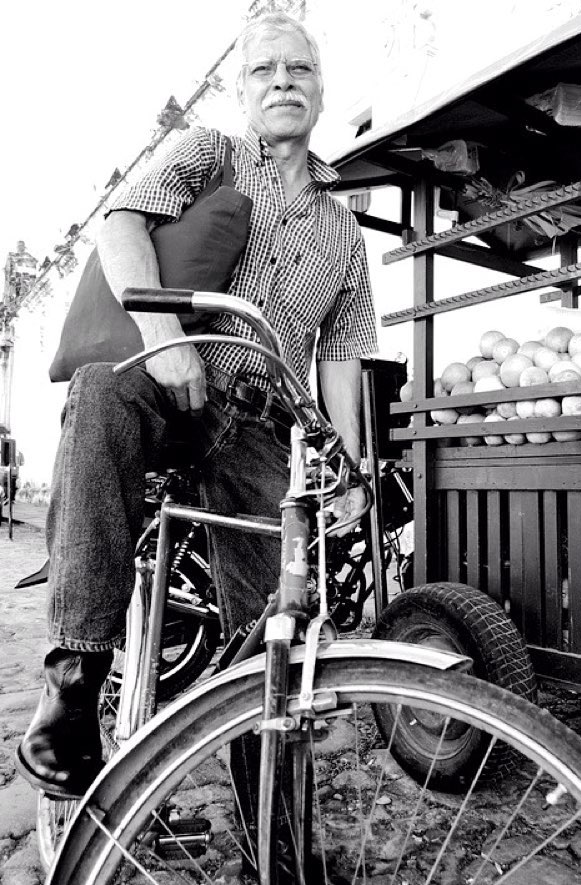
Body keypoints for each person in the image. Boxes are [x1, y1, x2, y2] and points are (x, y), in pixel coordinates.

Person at [17, 9, 377, 820]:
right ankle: (73, 689)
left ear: (319, 90)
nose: (281, 81)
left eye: (298, 70)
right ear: (243, 89)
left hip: (260, 425)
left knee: (267, 633)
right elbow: (122, 221)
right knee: (103, 392)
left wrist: (351, 464)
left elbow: (344, 351)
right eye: (264, 70)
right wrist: (161, 332)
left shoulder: (344, 228)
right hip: (174, 384)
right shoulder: (208, 152)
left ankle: (277, 828)